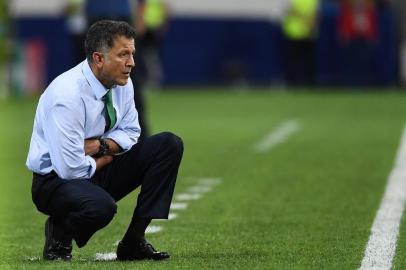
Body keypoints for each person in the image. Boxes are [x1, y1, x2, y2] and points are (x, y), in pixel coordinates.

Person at [26, 20, 183, 261]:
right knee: (101, 208)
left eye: (132, 54)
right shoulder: (67, 95)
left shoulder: (123, 82)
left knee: (169, 145)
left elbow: (132, 132)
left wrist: (100, 146)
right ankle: (60, 231)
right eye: (123, 55)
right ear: (99, 59)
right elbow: (70, 169)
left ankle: (133, 241)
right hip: (54, 180)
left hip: (96, 162)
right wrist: (109, 155)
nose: (131, 63)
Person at [282, 0, 319, 86]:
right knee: (293, 61)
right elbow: (289, 10)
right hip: (293, 33)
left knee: (309, 62)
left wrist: (313, 25)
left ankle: (309, 84)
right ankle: (291, 83)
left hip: (308, 33)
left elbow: (316, 14)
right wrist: (305, 19)